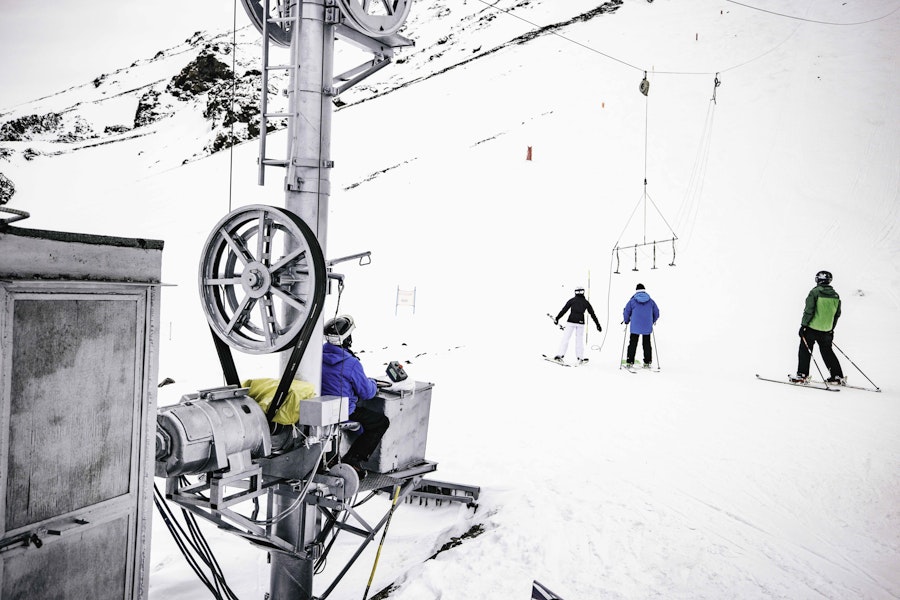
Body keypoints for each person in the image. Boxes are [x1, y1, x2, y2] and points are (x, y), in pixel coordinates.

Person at [320, 314, 390, 478]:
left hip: (322, 408)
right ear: (346, 340)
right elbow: (367, 392)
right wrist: (372, 382)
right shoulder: (351, 363)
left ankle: (334, 458)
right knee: (380, 422)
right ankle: (353, 461)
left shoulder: (318, 355)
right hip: (344, 412)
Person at [790, 271, 844, 384]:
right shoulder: (835, 295)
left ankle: (802, 375)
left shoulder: (814, 292)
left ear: (818, 280)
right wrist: (831, 328)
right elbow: (837, 314)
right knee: (827, 351)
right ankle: (837, 376)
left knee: (805, 350)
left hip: (812, 328)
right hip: (827, 330)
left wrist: (803, 325)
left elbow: (809, 310)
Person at [553, 287, 602, 364]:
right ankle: (580, 357)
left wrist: (557, 318)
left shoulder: (572, 300)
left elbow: (564, 310)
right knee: (579, 340)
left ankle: (559, 355)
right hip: (580, 323)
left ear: (575, 292)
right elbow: (592, 314)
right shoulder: (586, 302)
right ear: (583, 292)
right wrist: (597, 324)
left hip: (571, 321)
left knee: (565, 338)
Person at [622, 283, 659, 368]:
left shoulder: (632, 301)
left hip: (635, 326)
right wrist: (652, 321)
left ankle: (630, 361)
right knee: (647, 344)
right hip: (647, 326)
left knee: (633, 343)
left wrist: (626, 321)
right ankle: (647, 362)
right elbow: (656, 313)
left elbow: (626, 312)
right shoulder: (651, 301)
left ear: (636, 291)